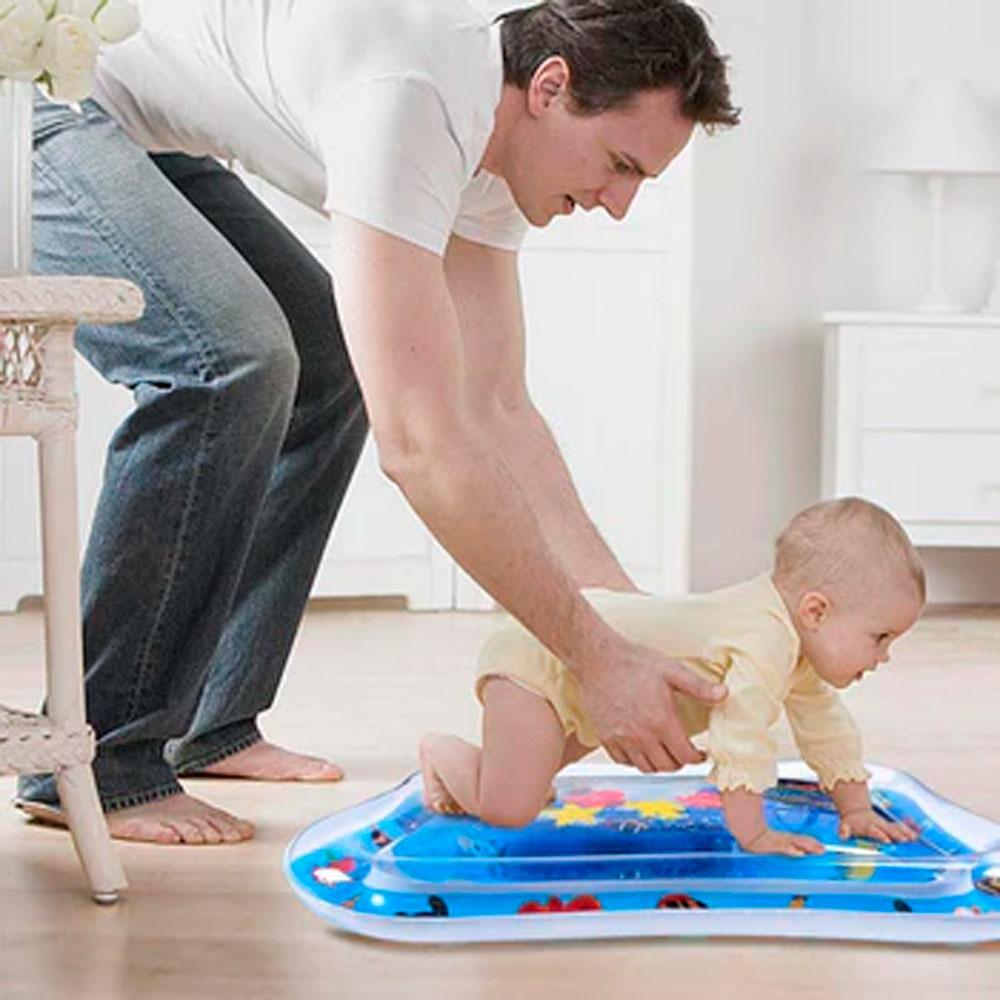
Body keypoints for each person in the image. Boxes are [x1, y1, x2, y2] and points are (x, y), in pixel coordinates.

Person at [16, 0, 740, 845]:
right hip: (41, 107)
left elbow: (496, 406)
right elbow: (424, 445)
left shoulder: (502, 153)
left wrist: (628, 623)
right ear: (551, 87)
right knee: (229, 361)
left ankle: (207, 719)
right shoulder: (411, 101)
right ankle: (96, 757)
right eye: (620, 164)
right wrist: (593, 657)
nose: (618, 203)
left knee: (328, 366)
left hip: (145, 139)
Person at [419, 497, 924, 856]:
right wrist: (754, 835)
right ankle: (444, 751)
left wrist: (856, 808)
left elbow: (826, 728)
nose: (884, 657)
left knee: (535, 776)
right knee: (508, 808)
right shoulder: (764, 636)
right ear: (816, 610)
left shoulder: (798, 651)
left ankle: (497, 765)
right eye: (879, 637)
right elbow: (739, 738)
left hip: (582, 686)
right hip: (542, 660)